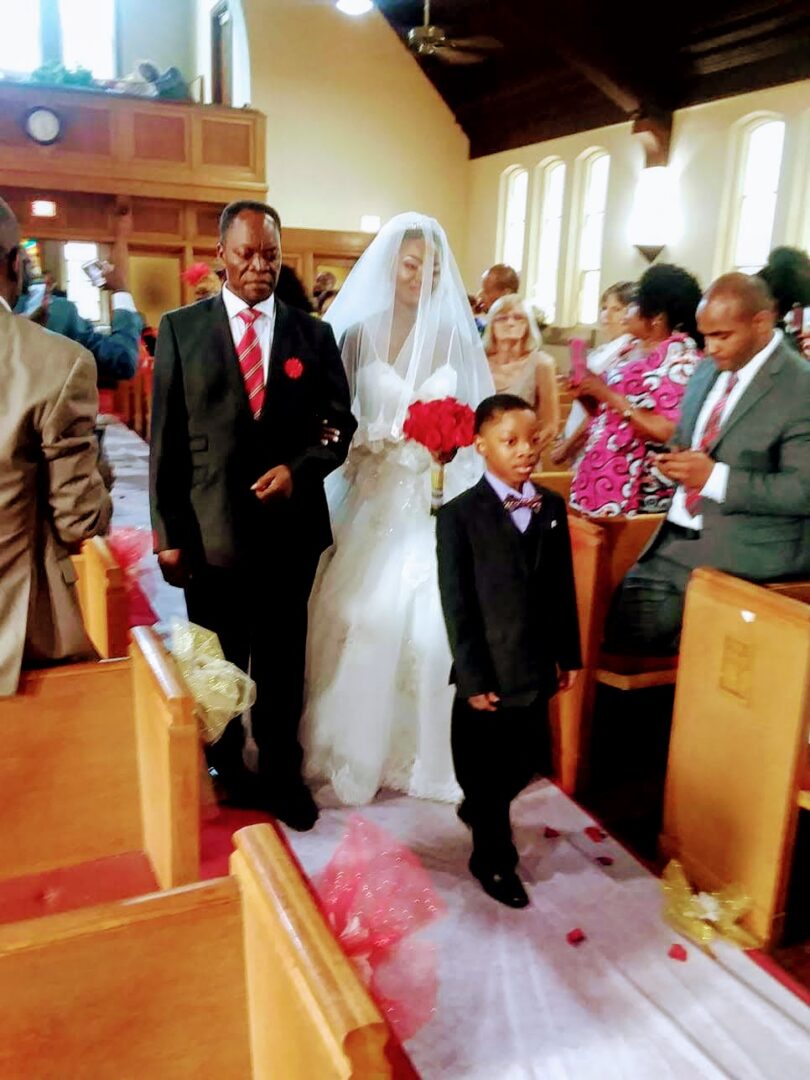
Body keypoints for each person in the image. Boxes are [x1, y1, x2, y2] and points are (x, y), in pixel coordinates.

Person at [149, 199, 356, 831]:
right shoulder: (183, 329)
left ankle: (281, 773)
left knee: (282, 659)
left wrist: (301, 468)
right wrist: (167, 534)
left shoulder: (311, 334)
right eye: (246, 253)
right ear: (221, 256)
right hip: (209, 529)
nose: (259, 266)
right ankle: (224, 767)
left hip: (288, 533)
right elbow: (166, 440)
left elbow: (338, 424)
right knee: (216, 659)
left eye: (270, 254)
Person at [300, 213, 494, 807]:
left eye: (432, 269)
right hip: (378, 490)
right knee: (358, 611)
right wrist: (378, 441)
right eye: (412, 265)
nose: (421, 277)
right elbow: (338, 416)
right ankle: (353, 745)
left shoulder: (455, 338)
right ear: (392, 265)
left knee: (437, 624)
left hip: (434, 491)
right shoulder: (357, 333)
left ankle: (431, 754)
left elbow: (471, 418)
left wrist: (444, 444)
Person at [606, 272, 810, 655]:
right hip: (676, 537)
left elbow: (803, 490)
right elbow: (689, 438)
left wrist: (714, 477)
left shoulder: (799, 388)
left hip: (746, 553)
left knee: (632, 637)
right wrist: (675, 461)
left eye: (722, 335)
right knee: (605, 619)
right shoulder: (706, 370)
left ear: (761, 323)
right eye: (705, 336)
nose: (711, 348)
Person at [436, 394, 581, 907]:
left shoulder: (552, 508)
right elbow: (457, 605)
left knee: (525, 763)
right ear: (480, 446)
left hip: (535, 665)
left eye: (532, 439)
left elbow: (562, 589)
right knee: (486, 773)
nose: (525, 451)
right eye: (509, 441)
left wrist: (569, 655)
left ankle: (480, 806)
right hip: (488, 671)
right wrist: (473, 679)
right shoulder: (458, 516)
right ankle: (493, 860)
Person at [0, 197, 112, 695]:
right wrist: (101, 477)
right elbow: (78, 520)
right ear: (15, 264)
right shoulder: (55, 362)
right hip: (20, 640)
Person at [569, 264, 703, 517]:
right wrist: (590, 395)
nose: (627, 310)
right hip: (603, 478)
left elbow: (670, 430)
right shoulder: (629, 349)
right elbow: (610, 414)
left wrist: (607, 394)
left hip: (642, 489)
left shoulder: (679, 360)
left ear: (657, 318)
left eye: (635, 303)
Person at [551, 281, 636, 465]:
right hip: (580, 429)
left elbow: (601, 407)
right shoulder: (607, 348)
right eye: (604, 308)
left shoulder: (628, 351)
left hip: (597, 440)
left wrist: (570, 444)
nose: (606, 315)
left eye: (616, 309)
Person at [482, 293, 559, 447]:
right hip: (478, 452)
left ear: (527, 325)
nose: (510, 323)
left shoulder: (541, 364)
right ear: (492, 325)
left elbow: (550, 426)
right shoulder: (478, 361)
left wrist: (523, 453)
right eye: (502, 318)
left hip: (520, 454)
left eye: (518, 318)